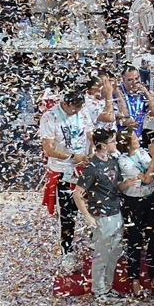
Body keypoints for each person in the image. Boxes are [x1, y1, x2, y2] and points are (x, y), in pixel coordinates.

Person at [40, 89, 94, 265]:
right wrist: (72, 157)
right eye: (75, 108)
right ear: (65, 104)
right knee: (67, 212)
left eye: (80, 108)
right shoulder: (50, 117)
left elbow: (90, 135)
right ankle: (67, 250)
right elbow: (48, 148)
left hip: (84, 167)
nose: (78, 111)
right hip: (63, 170)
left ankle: (94, 240)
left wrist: (92, 152)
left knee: (94, 206)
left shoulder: (82, 111)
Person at [72, 129, 125, 301]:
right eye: (112, 141)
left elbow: (115, 185)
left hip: (116, 212)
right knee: (102, 254)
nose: (115, 144)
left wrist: (127, 184)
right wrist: (87, 216)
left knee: (114, 252)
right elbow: (77, 193)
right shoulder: (91, 167)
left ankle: (107, 287)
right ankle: (99, 289)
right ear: (102, 145)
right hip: (101, 216)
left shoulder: (114, 161)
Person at [116, 131, 154, 297]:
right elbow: (147, 179)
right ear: (126, 143)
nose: (138, 139)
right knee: (135, 240)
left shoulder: (143, 152)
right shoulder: (123, 160)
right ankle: (134, 278)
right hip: (133, 203)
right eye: (134, 138)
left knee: (153, 238)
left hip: (150, 199)